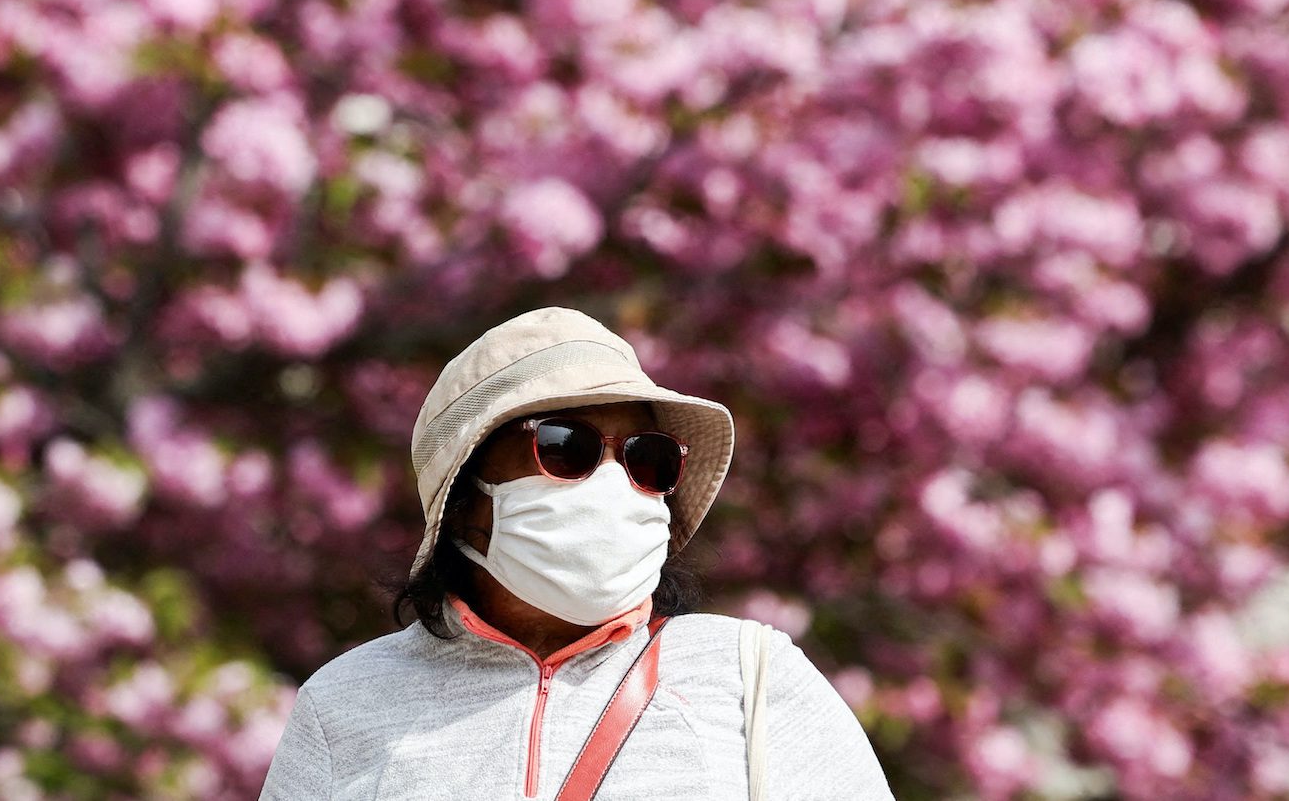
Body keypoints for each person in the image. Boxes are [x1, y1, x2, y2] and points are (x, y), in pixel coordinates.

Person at [257, 305, 894, 799]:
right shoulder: (343, 705)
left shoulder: (750, 676)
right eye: (568, 447)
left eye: (648, 458)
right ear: (468, 492)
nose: (616, 482)